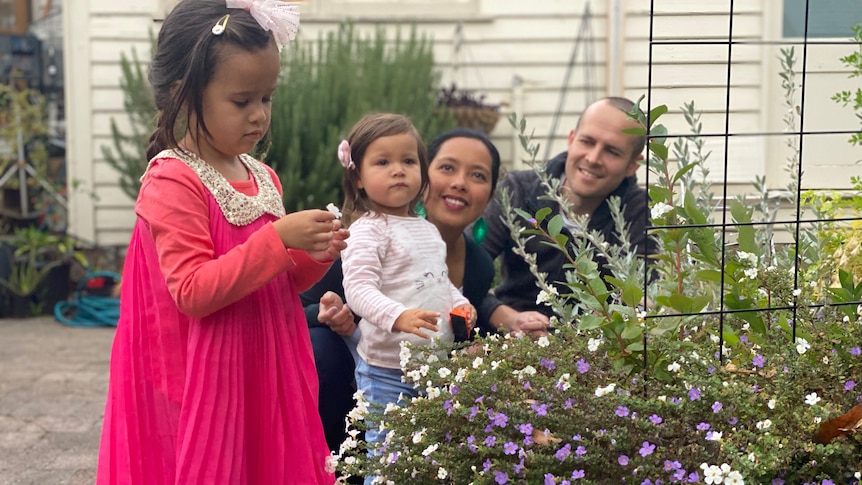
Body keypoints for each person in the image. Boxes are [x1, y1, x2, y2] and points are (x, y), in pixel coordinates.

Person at [96, 1, 344, 484]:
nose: (259, 115)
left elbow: (277, 282)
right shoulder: (173, 180)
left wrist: (312, 255)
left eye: (267, 98)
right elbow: (192, 290)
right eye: (241, 100)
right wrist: (277, 237)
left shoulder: (262, 175)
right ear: (184, 96)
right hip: (206, 378)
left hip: (263, 368)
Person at [302, 127, 550, 452]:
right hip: (367, 370)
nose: (460, 182)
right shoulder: (364, 235)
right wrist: (333, 315)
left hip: (426, 368)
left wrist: (473, 309)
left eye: (477, 175)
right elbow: (308, 305)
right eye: (447, 167)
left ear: (490, 194)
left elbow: (438, 283)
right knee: (385, 448)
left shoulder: (470, 259)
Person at [335, 114, 479, 457]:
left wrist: (460, 303)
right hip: (386, 372)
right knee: (389, 460)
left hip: (433, 367)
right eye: (383, 162)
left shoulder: (427, 229)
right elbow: (357, 289)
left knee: (427, 460)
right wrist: (397, 315)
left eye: (408, 161)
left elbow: (438, 283)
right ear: (357, 178)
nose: (398, 169)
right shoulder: (368, 230)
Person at [481, 96, 656, 322]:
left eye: (612, 151)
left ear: (634, 164)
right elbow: (463, 272)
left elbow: (643, 303)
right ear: (571, 139)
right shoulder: (517, 190)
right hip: (507, 341)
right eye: (587, 141)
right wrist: (503, 316)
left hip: (599, 346)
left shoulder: (640, 212)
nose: (593, 158)